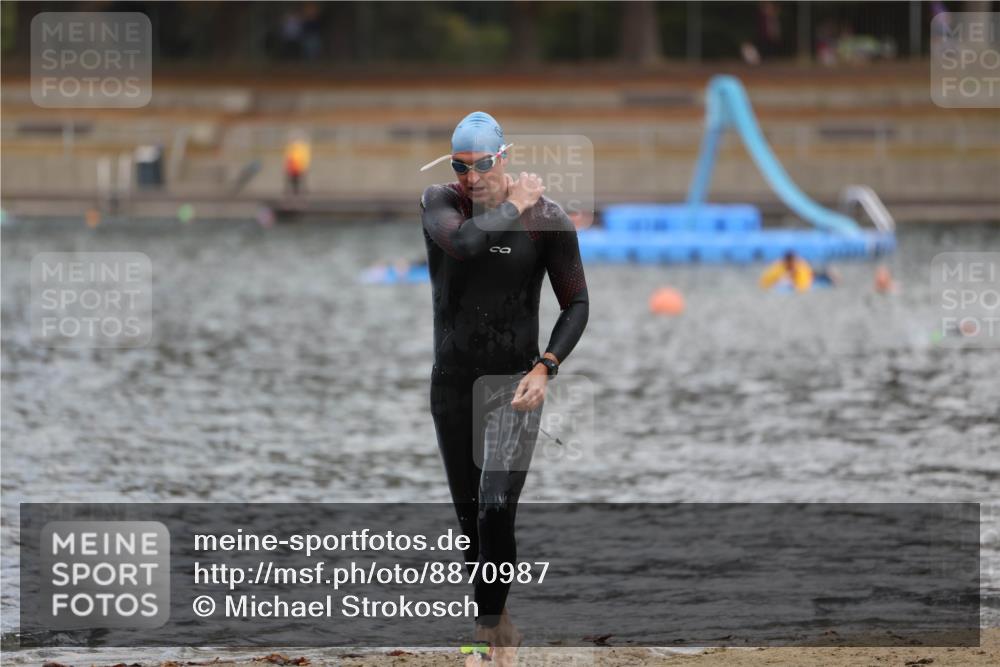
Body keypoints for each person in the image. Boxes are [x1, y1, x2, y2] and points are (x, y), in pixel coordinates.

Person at [419, 111, 589, 664]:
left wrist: (546, 367)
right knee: (470, 520)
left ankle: (489, 632)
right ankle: (499, 624)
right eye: (460, 166)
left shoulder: (547, 220)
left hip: (514, 386)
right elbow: (466, 244)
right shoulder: (440, 204)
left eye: (483, 164)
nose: (472, 177)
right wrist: (513, 204)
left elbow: (576, 303)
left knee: (495, 506)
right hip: (452, 385)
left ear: (504, 157)